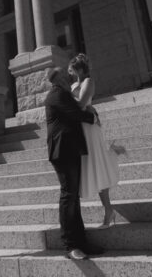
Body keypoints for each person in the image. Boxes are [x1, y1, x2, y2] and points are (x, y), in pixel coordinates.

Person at [45, 66, 104, 260]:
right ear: (57, 79)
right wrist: (93, 117)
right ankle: (71, 246)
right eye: (64, 75)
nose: (68, 77)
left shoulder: (63, 93)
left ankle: (81, 243)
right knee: (68, 196)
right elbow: (77, 114)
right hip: (63, 151)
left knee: (72, 197)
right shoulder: (58, 94)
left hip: (71, 149)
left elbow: (78, 108)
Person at [68, 53, 120, 227]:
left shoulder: (88, 82)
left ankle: (108, 210)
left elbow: (81, 104)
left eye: (75, 69)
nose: (73, 72)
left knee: (96, 165)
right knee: (92, 168)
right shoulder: (76, 83)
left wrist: (64, 100)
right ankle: (108, 210)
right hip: (81, 127)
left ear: (81, 69)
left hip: (90, 128)